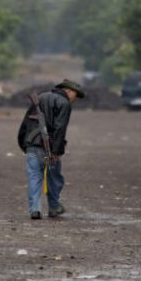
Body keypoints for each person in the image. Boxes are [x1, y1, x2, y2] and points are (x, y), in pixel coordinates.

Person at [17, 79, 85, 219]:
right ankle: (53, 207)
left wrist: (23, 144)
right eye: (76, 96)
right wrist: (56, 151)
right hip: (50, 148)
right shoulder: (64, 103)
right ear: (69, 91)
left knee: (34, 178)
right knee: (54, 178)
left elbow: (26, 123)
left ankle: (35, 210)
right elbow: (60, 129)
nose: (75, 99)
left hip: (32, 145)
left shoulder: (40, 98)